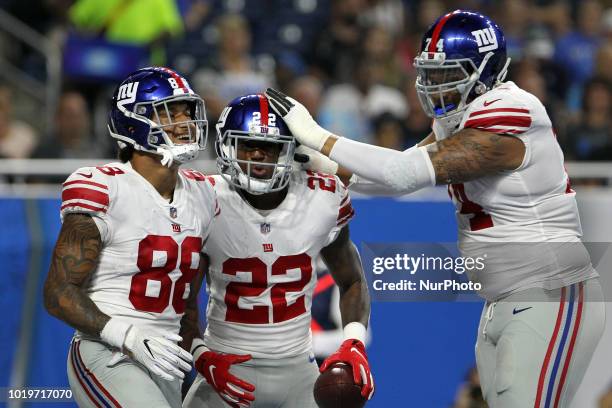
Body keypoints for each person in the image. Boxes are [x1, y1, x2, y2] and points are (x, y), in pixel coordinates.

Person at [265, 10, 605, 408]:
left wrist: (319, 136)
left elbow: (401, 174)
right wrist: (318, 163)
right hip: (503, 299)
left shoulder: (513, 110)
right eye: (430, 72)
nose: (434, 84)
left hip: (551, 291)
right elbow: (388, 177)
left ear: (485, 70)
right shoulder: (462, 116)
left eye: (448, 72)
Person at [183, 94, 373, 408]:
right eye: (247, 145)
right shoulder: (205, 197)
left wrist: (353, 340)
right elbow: (182, 298)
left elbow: (352, 280)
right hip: (225, 368)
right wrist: (201, 355)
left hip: (298, 370)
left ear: (290, 151)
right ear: (227, 147)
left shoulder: (322, 197)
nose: (257, 156)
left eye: (269, 147)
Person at [43, 67, 217, 407]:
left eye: (187, 110)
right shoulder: (106, 187)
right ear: (134, 120)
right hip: (107, 352)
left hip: (168, 358)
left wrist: (198, 348)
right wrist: (128, 337)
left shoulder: (203, 193)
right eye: (171, 112)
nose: (185, 121)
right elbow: (58, 292)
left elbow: (188, 299)